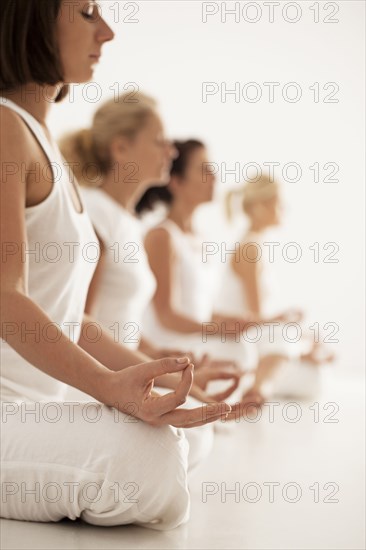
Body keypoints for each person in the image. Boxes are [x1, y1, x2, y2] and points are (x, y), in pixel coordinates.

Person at [0, 0, 232, 530]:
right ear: (30, 19)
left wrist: (169, 382)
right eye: (85, 12)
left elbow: (68, 319)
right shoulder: (3, 129)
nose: (107, 31)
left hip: (38, 404)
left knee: (192, 430)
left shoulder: (44, 146)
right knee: (147, 461)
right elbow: (5, 297)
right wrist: (108, 388)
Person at [136, 140, 289, 399]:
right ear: (177, 181)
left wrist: (228, 322)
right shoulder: (161, 236)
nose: (214, 176)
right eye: (204, 169)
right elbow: (166, 315)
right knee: (238, 351)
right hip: (171, 345)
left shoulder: (202, 240)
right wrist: (218, 329)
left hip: (200, 338)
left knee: (244, 347)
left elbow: (202, 309)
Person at [221, 175, 334, 397]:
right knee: (290, 338)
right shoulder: (250, 248)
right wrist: (291, 328)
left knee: (303, 338)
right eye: (278, 204)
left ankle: (269, 380)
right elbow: (255, 317)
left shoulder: (255, 244)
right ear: (260, 207)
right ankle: (258, 389)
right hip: (242, 333)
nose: (284, 209)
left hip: (255, 330)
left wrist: (300, 333)